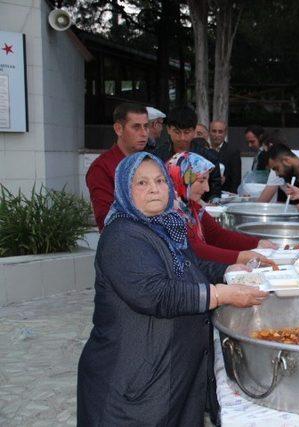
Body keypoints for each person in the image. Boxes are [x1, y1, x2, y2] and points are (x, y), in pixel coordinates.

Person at [77, 152, 268, 425]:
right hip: (134, 384)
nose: (154, 188)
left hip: (169, 372)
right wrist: (219, 294)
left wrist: (229, 271)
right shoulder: (122, 236)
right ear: (123, 189)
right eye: (141, 183)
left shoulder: (164, 225)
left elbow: (188, 266)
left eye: (159, 180)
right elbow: (156, 294)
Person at [166, 151, 278, 266]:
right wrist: (240, 257)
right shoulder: (168, 213)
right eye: (201, 181)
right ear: (182, 178)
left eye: (207, 181)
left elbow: (217, 235)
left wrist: (257, 244)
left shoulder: (191, 207)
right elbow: (192, 250)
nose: (207, 188)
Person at [86, 102, 149, 231]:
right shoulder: (101, 168)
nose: (144, 133)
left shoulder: (151, 162)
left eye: (146, 126)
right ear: (118, 129)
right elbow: (106, 220)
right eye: (136, 127)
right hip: (124, 242)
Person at [151, 106, 223, 201]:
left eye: (187, 132)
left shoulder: (209, 158)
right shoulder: (157, 157)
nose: (182, 138)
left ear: (194, 131)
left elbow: (214, 191)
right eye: (177, 132)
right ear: (168, 129)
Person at [210, 120, 242, 193]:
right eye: (214, 131)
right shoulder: (205, 149)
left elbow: (236, 179)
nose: (217, 135)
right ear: (209, 132)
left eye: (220, 132)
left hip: (225, 194)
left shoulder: (233, 152)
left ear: (225, 133)